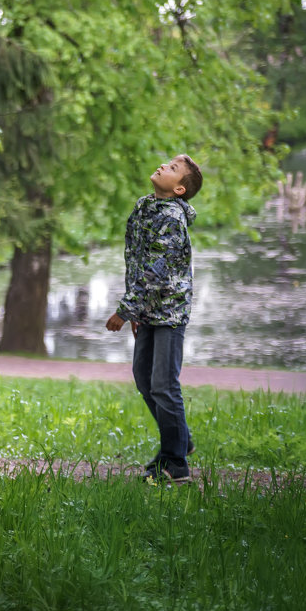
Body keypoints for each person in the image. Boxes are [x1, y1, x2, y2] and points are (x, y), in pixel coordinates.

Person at [105, 154, 203, 484]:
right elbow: (135, 260)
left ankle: (175, 463)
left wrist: (126, 309)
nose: (163, 165)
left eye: (173, 168)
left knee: (164, 383)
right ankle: (180, 440)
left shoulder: (173, 218)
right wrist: (138, 310)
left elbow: (158, 269)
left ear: (178, 189)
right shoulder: (146, 206)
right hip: (148, 309)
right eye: (168, 162)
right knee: (144, 380)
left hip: (170, 311)